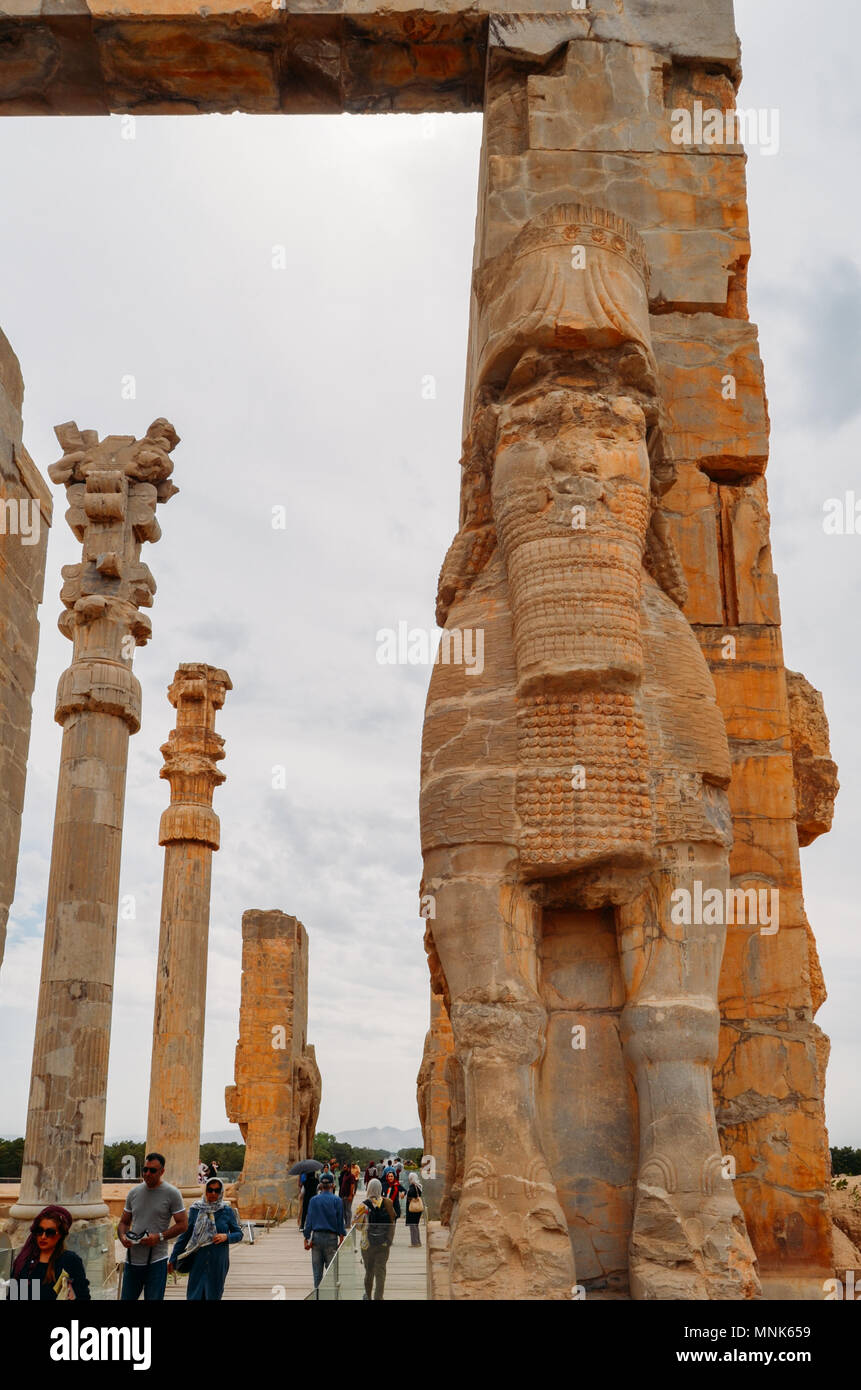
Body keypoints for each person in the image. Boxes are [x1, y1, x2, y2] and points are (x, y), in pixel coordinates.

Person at [118, 1151, 188, 1301]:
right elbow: (124, 1222)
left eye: (152, 1170)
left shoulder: (172, 1193)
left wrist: (159, 1237)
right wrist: (123, 1237)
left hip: (156, 1261)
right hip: (132, 1261)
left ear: (162, 1171)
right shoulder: (134, 1192)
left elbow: (183, 1224)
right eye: (145, 1169)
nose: (147, 1173)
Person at [168, 1178, 242, 1300]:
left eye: (217, 1190)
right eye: (210, 1190)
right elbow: (185, 1235)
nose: (213, 1193)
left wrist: (226, 1236)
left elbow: (238, 1234)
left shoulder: (227, 1211)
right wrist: (173, 1258)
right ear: (205, 1190)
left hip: (217, 1261)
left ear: (221, 1192)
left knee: (213, 1295)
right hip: (198, 1260)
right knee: (195, 1295)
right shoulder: (196, 1209)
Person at [7, 1206, 90, 1301]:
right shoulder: (25, 1262)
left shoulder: (70, 1261)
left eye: (49, 1232)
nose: (43, 1237)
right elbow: (14, 1296)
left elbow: (83, 1296)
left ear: (61, 1235)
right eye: (39, 1231)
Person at [352, 1178, 395, 1301]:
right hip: (384, 1243)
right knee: (380, 1272)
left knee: (369, 1271)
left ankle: (368, 1296)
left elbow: (357, 1225)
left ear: (369, 1188)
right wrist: (388, 1240)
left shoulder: (363, 1205)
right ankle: (378, 1297)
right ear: (380, 1189)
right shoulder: (388, 1203)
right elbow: (392, 1221)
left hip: (367, 1244)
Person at [303, 1172, 345, 1291]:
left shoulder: (313, 1200)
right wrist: (341, 1238)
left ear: (320, 1185)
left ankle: (318, 1296)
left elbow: (309, 1221)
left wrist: (306, 1238)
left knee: (317, 1275)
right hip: (331, 1238)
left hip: (316, 1238)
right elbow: (340, 1222)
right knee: (332, 1273)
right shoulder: (337, 1200)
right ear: (332, 1185)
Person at [405, 1173, 424, 1247]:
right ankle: (418, 1242)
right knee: (416, 1225)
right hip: (417, 1209)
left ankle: (414, 1243)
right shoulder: (418, 1186)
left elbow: (410, 1196)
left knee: (413, 1226)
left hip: (413, 1209)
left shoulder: (412, 1187)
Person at [339, 1161, 358, 1227]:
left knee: (348, 1210)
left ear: (348, 1168)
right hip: (343, 1195)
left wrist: (350, 1195)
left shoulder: (351, 1176)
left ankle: (348, 1224)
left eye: (345, 1167)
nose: (344, 1168)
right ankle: (346, 1223)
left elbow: (352, 1185)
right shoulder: (344, 1175)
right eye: (343, 1167)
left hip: (348, 1195)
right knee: (343, 1210)